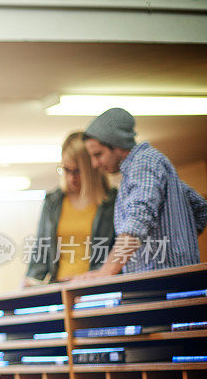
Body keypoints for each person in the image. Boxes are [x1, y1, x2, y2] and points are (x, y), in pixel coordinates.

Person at [75, 107, 207, 278]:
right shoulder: (150, 164)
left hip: (163, 281)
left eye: (98, 154)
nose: (94, 164)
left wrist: (106, 272)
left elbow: (137, 221)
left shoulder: (143, 164)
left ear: (118, 146)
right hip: (170, 277)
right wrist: (178, 245)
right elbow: (201, 207)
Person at [24, 131, 117, 285]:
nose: (70, 178)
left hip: (96, 287)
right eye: (66, 170)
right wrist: (30, 281)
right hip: (60, 287)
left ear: (92, 167)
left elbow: (119, 251)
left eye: (77, 171)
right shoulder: (53, 202)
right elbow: (41, 251)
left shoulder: (111, 202)